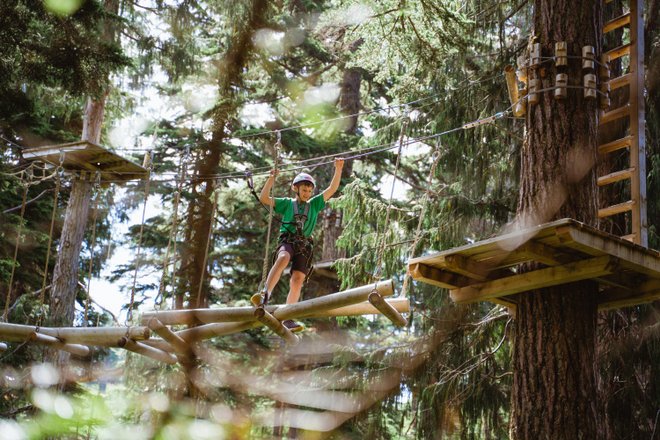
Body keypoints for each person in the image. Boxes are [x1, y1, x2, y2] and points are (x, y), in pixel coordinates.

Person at [251, 158, 345, 332]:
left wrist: (338, 169)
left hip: (304, 246)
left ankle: (288, 317)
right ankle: (265, 294)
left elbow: (332, 189)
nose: (307, 193)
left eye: (309, 190)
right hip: (288, 240)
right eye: (304, 190)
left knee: (298, 279)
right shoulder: (287, 203)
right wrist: (271, 178)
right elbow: (264, 198)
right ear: (296, 188)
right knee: (283, 257)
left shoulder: (315, 204)